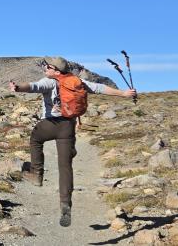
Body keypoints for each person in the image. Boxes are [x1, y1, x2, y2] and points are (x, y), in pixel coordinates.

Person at [8, 56, 136, 227]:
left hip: (50, 124)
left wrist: (17, 87)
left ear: (56, 70)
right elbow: (99, 88)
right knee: (65, 166)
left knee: (35, 139)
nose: (44, 68)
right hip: (68, 127)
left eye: (47, 66)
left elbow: (34, 86)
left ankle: (36, 174)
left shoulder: (50, 81)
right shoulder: (77, 81)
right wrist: (123, 93)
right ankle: (65, 204)